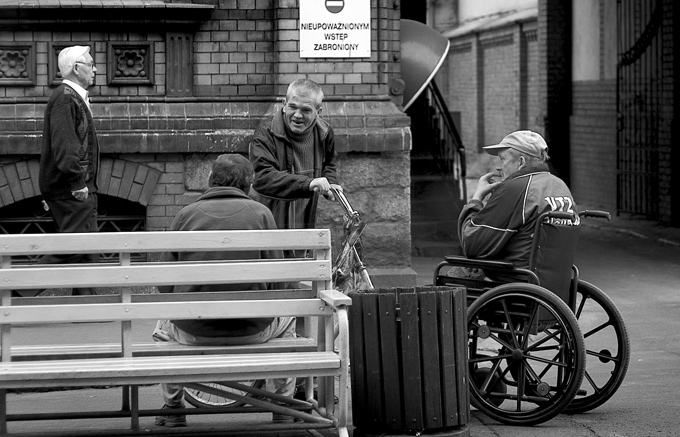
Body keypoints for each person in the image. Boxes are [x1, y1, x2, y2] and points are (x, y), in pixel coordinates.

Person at [152, 153, 298, 427]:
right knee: (288, 321)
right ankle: (283, 405)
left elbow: (165, 284)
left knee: (162, 326)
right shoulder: (262, 214)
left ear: (210, 180)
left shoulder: (185, 215)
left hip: (193, 332)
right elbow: (280, 283)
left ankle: (173, 408)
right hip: (254, 331)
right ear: (249, 183)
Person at [453, 130, 579, 279]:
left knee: (455, 274)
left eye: (502, 159)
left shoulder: (515, 188)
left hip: (513, 282)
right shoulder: (560, 186)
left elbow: (471, 244)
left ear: (521, 162)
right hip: (552, 282)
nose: (499, 167)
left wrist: (477, 198)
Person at [32, 45, 100, 296]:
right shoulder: (64, 97)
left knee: (87, 244)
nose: (94, 69)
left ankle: (88, 306)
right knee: (75, 244)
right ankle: (13, 289)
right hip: (72, 190)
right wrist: (77, 182)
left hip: (78, 187)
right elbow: (65, 145)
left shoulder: (73, 96)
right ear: (75, 68)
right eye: (90, 64)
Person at [249, 78, 342, 234]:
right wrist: (309, 183)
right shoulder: (266, 133)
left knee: (301, 253)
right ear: (284, 105)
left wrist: (330, 183)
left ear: (318, 112)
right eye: (292, 107)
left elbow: (329, 163)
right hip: (269, 219)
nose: (297, 115)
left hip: (305, 217)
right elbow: (262, 178)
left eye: (306, 110)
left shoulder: (324, 133)